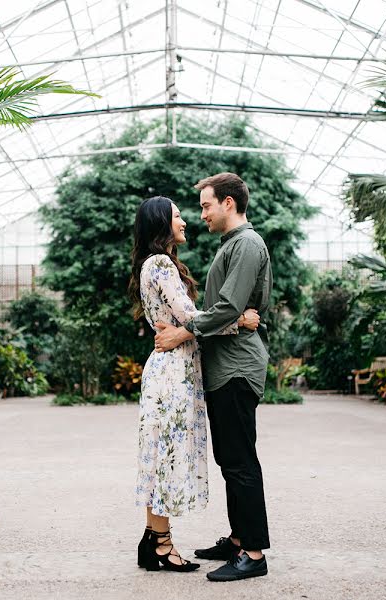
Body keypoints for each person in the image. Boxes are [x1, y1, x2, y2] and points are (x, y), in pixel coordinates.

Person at [128, 195, 260, 573]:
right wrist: (240, 321)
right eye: (178, 216)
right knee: (166, 455)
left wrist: (187, 331)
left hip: (169, 367)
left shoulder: (155, 263)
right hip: (172, 373)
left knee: (160, 454)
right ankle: (161, 545)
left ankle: (154, 540)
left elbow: (183, 321)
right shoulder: (161, 264)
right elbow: (190, 316)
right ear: (161, 224)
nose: (185, 221)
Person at [153, 173, 273, 582]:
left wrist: (181, 333)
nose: (200, 214)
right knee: (230, 460)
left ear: (228, 203)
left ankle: (253, 554)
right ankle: (240, 539)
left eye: (206, 205)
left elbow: (225, 308)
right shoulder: (231, 245)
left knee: (240, 462)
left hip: (237, 367)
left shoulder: (246, 244)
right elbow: (229, 313)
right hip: (224, 368)